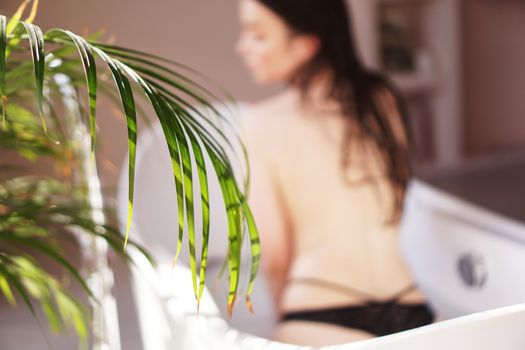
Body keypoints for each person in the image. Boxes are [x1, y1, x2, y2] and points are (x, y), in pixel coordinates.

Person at [235, 0, 434, 346]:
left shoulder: (259, 123)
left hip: (321, 304)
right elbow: (399, 204)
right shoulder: (381, 99)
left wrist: (283, 314)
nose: (242, 47)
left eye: (258, 35)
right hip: (412, 304)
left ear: (305, 45)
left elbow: (275, 253)